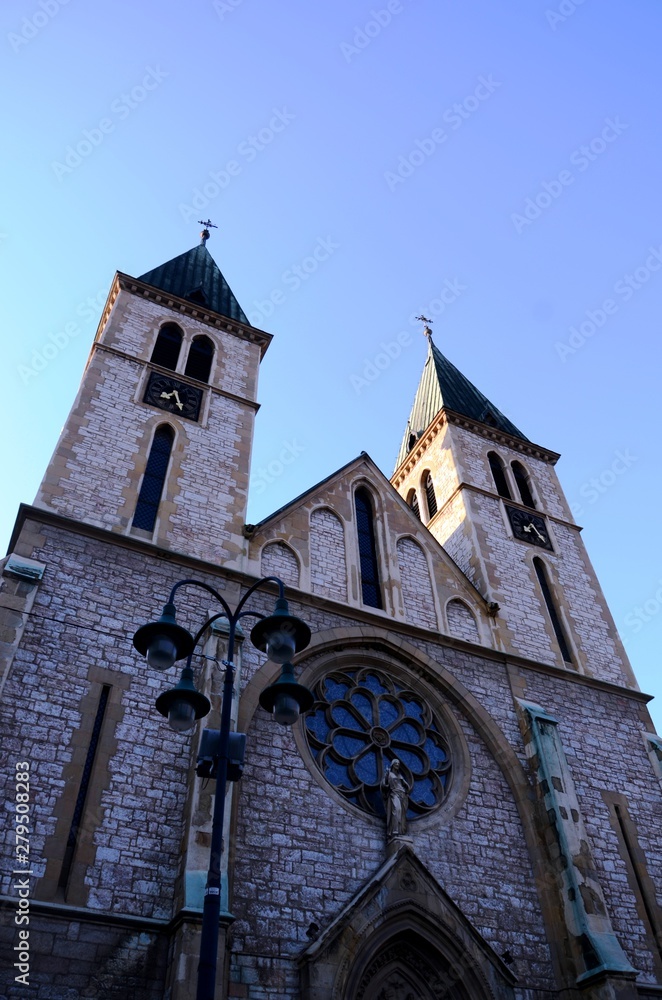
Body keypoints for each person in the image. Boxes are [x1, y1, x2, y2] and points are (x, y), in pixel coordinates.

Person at [381, 759, 409, 839]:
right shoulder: (389, 773)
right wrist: (386, 786)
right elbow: (384, 784)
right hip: (394, 794)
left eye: (398, 763)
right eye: (396, 763)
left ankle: (400, 831)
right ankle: (394, 831)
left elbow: (406, 785)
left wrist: (406, 787)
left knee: (402, 814)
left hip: (402, 794)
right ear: (392, 764)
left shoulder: (400, 775)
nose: (397, 764)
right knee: (397, 810)